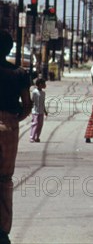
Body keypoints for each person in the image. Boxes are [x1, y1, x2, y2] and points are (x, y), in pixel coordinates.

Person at [0, 30, 32, 244]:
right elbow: (28, 105)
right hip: (8, 125)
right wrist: (14, 119)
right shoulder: (20, 74)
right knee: (4, 179)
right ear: (10, 49)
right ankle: (2, 230)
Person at [29, 78, 48, 143]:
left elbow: (43, 102)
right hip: (35, 111)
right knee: (35, 124)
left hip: (41, 111)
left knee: (40, 124)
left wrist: (45, 111)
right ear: (40, 84)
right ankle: (32, 137)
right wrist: (29, 110)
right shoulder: (34, 92)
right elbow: (32, 101)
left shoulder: (43, 93)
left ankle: (37, 137)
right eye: (44, 84)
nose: (45, 85)